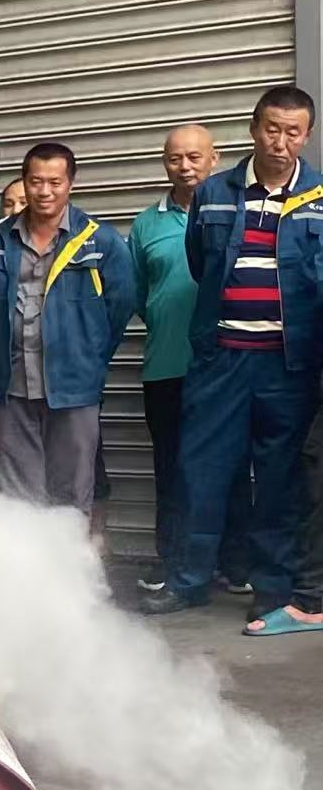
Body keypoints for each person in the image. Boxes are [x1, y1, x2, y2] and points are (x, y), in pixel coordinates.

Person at [143, 86, 323, 626]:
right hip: (222, 358)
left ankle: (271, 587)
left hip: (289, 365)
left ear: (307, 136)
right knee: (201, 469)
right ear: (253, 129)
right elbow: (201, 264)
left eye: (293, 132)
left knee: (279, 477)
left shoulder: (318, 196)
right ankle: (190, 580)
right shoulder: (215, 193)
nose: (280, 141)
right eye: (272, 128)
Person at [0, 142, 136, 513]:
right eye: (36, 181)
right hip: (10, 385)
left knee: (70, 493)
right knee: (18, 499)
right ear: (24, 181)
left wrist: (89, 355)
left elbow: (121, 305)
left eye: (55, 182)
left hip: (73, 387)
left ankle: (69, 554)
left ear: (71, 184)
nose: (45, 191)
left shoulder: (99, 240)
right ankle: (25, 555)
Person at [127, 124, 234, 591]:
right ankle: (172, 561)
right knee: (170, 469)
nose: (185, 167)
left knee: (229, 467)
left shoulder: (235, 211)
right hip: (167, 366)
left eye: (194, 157)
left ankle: (232, 563)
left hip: (227, 367)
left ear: (215, 158)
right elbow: (135, 293)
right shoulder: (146, 224)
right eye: (175, 158)